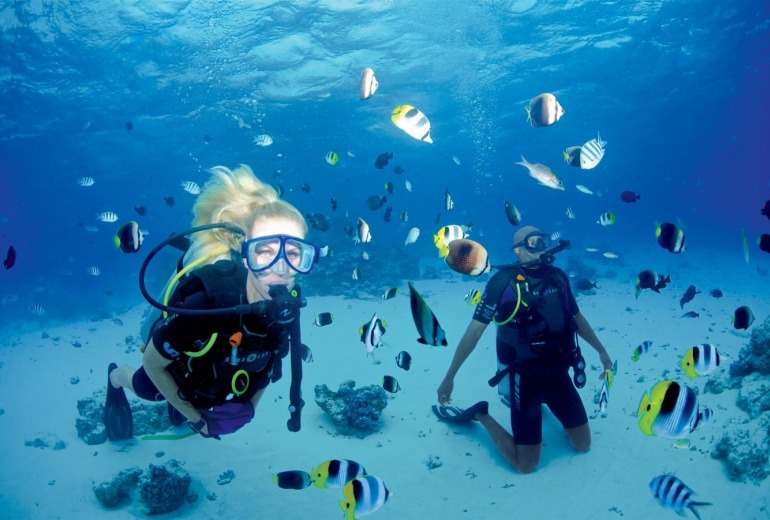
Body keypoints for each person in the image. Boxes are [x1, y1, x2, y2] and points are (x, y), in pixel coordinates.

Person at [104, 164, 320, 441]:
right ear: (245, 256)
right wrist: (197, 419)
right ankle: (114, 378)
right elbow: (154, 363)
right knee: (148, 389)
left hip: (212, 365)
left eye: (294, 254)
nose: (280, 268)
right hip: (177, 354)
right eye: (264, 252)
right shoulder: (204, 305)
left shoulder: (285, 310)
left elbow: (267, 368)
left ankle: (183, 400)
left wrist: (249, 410)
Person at [434, 226, 613, 473]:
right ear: (518, 250)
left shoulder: (558, 277)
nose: (540, 245)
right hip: (525, 379)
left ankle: (547, 405)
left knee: (582, 444)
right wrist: (449, 376)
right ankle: (481, 415)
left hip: (558, 373)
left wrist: (601, 350)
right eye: (532, 242)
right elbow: (474, 332)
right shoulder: (502, 283)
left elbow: (576, 318)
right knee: (526, 465)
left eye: (543, 239)